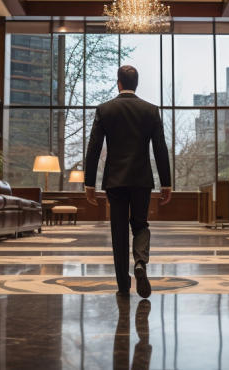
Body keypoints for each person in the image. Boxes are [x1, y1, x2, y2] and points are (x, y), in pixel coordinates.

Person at [85, 65, 172, 298]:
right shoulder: (151, 110)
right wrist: (166, 183)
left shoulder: (105, 110)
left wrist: (89, 183)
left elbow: (94, 147)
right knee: (141, 224)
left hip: (115, 181)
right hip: (142, 180)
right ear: (137, 83)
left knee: (119, 230)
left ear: (118, 83)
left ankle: (123, 285)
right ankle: (140, 263)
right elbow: (160, 148)